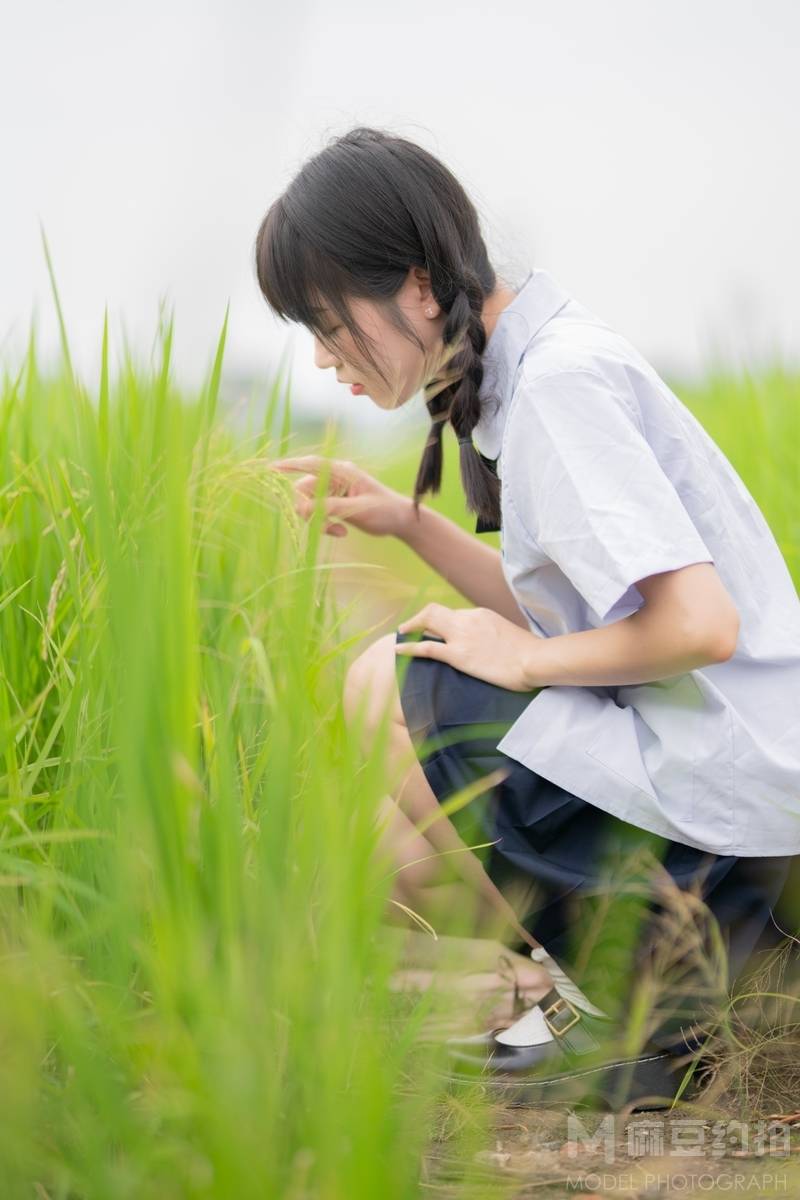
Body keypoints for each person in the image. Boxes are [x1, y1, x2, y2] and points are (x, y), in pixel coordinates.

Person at [254, 125, 800, 1109]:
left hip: (739, 813)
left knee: (387, 677)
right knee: (391, 855)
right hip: (703, 783)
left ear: (415, 285)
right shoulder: (530, 369)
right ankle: (629, 984)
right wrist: (407, 526)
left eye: (328, 323)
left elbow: (696, 625)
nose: (326, 359)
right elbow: (585, 612)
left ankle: (672, 1007)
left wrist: (521, 661)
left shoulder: (557, 384)